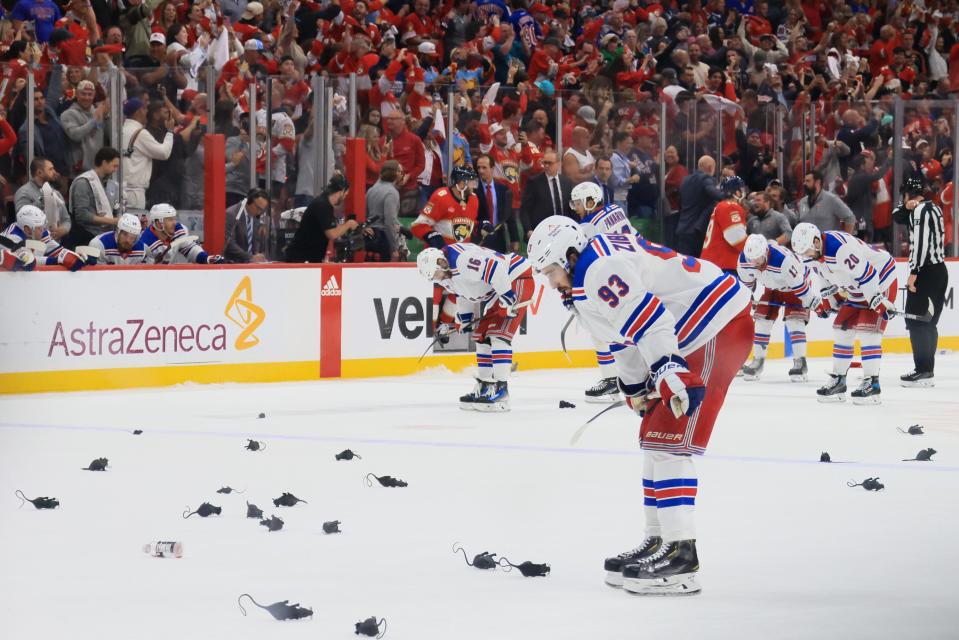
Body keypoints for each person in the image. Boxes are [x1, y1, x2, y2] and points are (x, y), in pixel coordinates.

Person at [526, 216, 752, 596]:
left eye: (550, 272)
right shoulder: (585, 275)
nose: (550, 283)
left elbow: (649, 319)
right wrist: (634, 386)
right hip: (693, 330)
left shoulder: (599, 268)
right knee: (653, 438)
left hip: (717, 324)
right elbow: (622, 338)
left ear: (568, 254)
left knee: (667, 443)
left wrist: (667, 370)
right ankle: (659, 539)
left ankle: (682, 555)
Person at [416, 243, 534, 411]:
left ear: (442, 262)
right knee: (481, 337)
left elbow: (496, 268)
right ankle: (486, 387)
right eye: (433, 277)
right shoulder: (445, 275)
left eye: (436, 274)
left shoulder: (462, 260)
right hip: (498, 289)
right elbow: (463, 293)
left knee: (498, 335)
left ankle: (502, 391)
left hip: (516, 277)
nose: (437, 279)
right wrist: (464, 319)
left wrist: (507, 296)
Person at [791, 222, 897, 404]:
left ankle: (873, 384)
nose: (806, 256)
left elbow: (868, 274)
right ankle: (839, 381)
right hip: (856, 287)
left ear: (817, 242)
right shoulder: (810, 253)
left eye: (807, 251)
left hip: (880, 280)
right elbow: (822, 274)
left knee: (868, 332)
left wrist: (877, 301)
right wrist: (828, 299)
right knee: (842, 330)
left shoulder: (840, 248)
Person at [569, 180, 638, 403]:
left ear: (591, 201)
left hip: (615, 279)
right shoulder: (616, 210)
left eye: (579, 203)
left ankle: (611, 381)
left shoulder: (587, 226)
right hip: (636, 268)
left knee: (601, 330)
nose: (576, 208)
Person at [737, 234, 820, 382]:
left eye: (758, 259)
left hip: (794, 288)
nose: (754, 263)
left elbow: (800, 286)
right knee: (762, 322)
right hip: (772, 287)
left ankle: (800, 362)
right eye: (751, 259)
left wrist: (811, 302)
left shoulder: (783, 260)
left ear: (765, 253)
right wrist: (746, 299)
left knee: (795, 322)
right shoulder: (744, 260)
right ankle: (758, 361)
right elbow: (745, 286)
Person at [894, 177, 948, 387]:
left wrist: (914, 272)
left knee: (917, 322)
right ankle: (927, 369)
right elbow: (897, 216)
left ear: (907, 193)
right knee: (928, 322)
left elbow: (922, 246)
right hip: (939, 271)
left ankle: (923, 370)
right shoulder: (933, 208)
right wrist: (906, 206)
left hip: (925, 272)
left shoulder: (919, 212)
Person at [285, 175, 359, 263]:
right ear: (341, 191)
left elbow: (330, 227)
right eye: (345, 195)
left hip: (309, 257)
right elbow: (332, 233)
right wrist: (349, 224)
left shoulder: (325, 204)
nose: (344, 198)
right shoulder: (322, 205)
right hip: (301, 257)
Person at [120, 98, 173, 209]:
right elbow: (164, 153)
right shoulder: (140, 133)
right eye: (144, 109)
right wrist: (170, 132)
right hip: (135, 193)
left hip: (121, 190)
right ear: (138, 111)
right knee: (136, 225)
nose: (146, 113)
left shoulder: (121, 130)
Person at [411, 165, 479, 249]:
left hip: (461, 256)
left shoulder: (474, 199)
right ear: (462, 183)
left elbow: (470, 223)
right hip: (439, 256)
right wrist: (433, 237)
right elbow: (418, 226)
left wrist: (480, 227)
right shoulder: (440, 197)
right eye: (472, 183)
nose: (474, 186)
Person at [2, 204, 85, 271]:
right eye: (39, 227)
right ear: (27, 229)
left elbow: (58, 252)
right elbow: (28, 261)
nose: (44, 230)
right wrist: (55, 261)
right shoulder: (13, 237)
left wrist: (76, 256)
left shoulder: (38, 232)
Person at [67, 146, 120, 248]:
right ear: (104, 163)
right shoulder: (83, 182)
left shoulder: (112, 185)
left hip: (108, 235)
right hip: (87, 237)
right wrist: (112, 221)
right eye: (114, 166)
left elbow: (116, 209)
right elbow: (82, 215)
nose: (116, 170)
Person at [141, 203, 223, 264]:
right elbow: (143, 272)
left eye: (174, 219)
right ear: (158, 223)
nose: (174, 223)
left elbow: (190, 249)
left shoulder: (177, 230)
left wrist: (207, 259)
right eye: (170, 219)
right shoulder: (145, 242)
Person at [675, 155, 723, 257]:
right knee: (698, 266)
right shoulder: (705, 178)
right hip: (697, 232)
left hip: (682, 229)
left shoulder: (685, 180)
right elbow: (715, 194)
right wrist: (728, 195)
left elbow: (679, 201)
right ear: (710, 168)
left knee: (684, 265)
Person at [700, 175, 749, 274]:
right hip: (723, 266)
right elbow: (736, 238)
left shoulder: (720, 206)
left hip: (713, 264)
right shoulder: (730, 207)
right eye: (742, 190)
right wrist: (754, 252)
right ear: (737, 192)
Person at [14, 156, 70, 242]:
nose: (55, 172)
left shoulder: (56, 193)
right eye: (51, 169)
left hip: (55, 244)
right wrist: (43, 199)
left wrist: (63, 229)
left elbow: (66, 220)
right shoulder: (23, 192)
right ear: (40, 172)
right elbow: (22, 217)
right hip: (33, 245)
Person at [521, 149, 573, 238]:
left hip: (564, 230)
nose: (546, 166)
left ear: (558, 164)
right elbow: (525, 209)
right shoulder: (534, 182)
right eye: (545, 163)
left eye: (550, 163)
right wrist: (528, 230)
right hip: (542, 232)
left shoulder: (566, 182)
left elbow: (570, 207)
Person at [475, 154, 520, 254]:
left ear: (492, 168)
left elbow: (509, 216)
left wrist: (515, 240)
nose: (481, 171)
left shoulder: (503, 189)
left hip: (499, 239)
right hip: (479, 240)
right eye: (478, 168)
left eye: (484, 167)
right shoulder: (473, 190)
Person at [365, 160, 403, 262]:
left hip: (370, 238)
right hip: (383, 239)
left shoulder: (371, 190)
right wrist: (394, 248)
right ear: (396, 173)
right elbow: (389, 222)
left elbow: (366, 214)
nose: (402, 175)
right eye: (400, 172)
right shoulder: (392, 193)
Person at [224, 188, 270, 263]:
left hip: (253, 265)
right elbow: (229, 243)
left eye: (262, 210)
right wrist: (250, 257)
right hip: (234, 264)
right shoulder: (231, 214)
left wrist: (258, 255)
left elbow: (256, 241)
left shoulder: (256, 216)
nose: (259, 212)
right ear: (249, 201)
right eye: (258, 208)